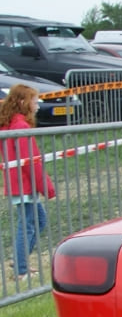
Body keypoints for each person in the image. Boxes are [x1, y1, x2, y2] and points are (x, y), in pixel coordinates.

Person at [1, 83, 56, 277]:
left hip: (19, 184)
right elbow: (31, 162)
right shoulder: (20, 127)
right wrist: (46, 186)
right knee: (28, 225)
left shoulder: (10, 124)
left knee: (37, 221)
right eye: (34, 101)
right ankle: (21, 268)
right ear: (23, 102)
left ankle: (19, 260)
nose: (37, 105)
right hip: (24, 185)